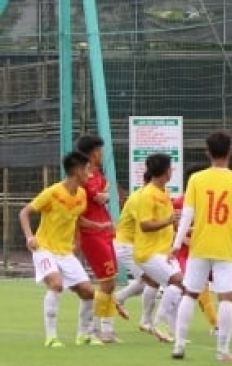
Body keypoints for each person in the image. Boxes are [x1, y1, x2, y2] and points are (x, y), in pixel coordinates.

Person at [171, 131, 232, 362]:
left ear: (207, 152)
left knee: (190, 293)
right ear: (231, 152)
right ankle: (223, 350)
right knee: (225, 297)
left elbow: (187, 215)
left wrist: (177, 244)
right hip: (225, 248)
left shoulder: (196, 179)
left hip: (199, 245)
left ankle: (178, 345)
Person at [18, 151, 105, 347]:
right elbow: (24, 212)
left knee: (88, 292)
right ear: (76, 171)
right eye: (87, 170)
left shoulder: (82, 194)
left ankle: (83, 336)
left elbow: (75, 218)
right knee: (56, 284)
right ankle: (51, 337)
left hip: (66, 252)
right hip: (44, 248)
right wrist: (30, 237)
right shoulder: (53, 192)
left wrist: (83, 237)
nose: (90, 175)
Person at [76, 135, 126, 342]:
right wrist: (103, 195)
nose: (102, 154)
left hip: (105, 231)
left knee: (110, 281)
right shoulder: (83, 175)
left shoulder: (97, 174)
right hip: (91, 233)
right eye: (100, 150)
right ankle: (94, 327)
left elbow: (105, 194)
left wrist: (104, 195)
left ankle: (105, 328)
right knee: (106, 281)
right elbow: (99, 196)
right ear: (93, 152)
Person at [133, 153, 183, 343]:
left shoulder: (164, 193)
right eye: (170, 168)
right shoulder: (147, 194)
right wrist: (169, 220)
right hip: (148, 253)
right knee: (177, 282)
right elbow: (145, 224)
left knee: (179, 288)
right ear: (164, 171)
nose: (172, 171)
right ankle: (158, 323)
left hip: (164, 251)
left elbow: (170, 223)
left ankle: (173, 332)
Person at [172, 165, 218, 333]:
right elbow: (176, 230)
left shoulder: (209, 201)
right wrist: (192, 240)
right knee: (199, 287)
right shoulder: (179, 202)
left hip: (209, 250)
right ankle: (215, 325)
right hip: (187, 254)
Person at [113, 172, 160, 332]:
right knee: (152, 280)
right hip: (126, 246)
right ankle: (145, 321)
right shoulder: (138, 199)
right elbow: (145, 226)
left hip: (135, 246)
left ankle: (118, 299)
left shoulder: (150, 198)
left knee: (142, 284)